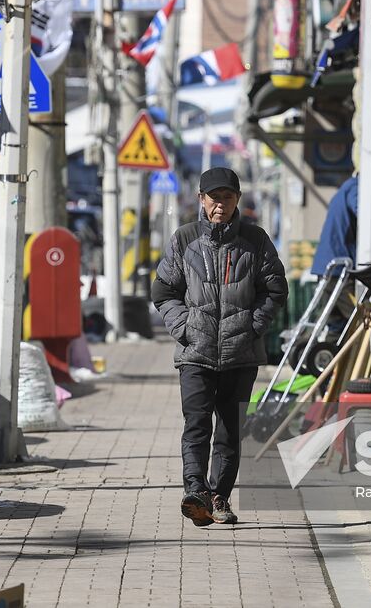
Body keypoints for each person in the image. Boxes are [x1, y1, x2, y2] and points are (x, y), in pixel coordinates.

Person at [152, 167, 287, 526]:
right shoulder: (184, 239)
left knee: (229, 431)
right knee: (196, 424)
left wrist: (251, 326)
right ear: (201, 200)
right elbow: (164, 291)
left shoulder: (256, 241)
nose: (220, 205)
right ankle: (195, 491)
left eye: (227, 198)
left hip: (240, 355)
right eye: (214, 198)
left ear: (236, 200)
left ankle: (219, 497)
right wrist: (184, 326)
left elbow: (274, 290)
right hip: (195, 352)